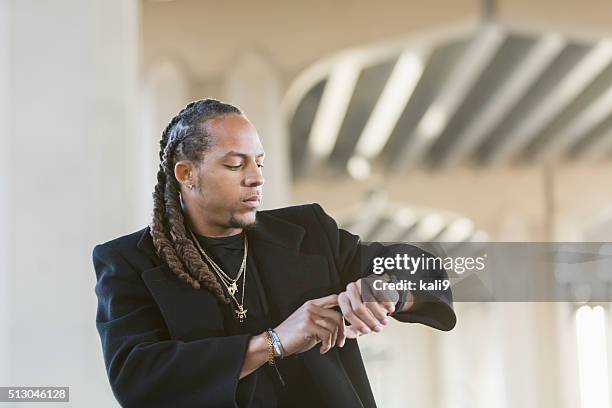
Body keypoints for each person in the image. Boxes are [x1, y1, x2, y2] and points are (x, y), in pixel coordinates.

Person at [92, 98, 456, 408]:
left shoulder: (309, 232)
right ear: (186, 173)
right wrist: (275, 342)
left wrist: (389, 289)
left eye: (259, 163)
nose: (255, 177)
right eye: (236, 164)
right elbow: (137, 379)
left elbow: (424, 266)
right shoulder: (129, 262)